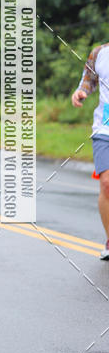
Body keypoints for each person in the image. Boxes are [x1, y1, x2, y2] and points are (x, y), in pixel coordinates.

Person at [72, 42, 109, 259]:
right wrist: (80, 92)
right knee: (106, 184)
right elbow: (88, 81)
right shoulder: (99, 53)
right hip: (104, 128)